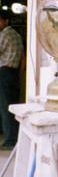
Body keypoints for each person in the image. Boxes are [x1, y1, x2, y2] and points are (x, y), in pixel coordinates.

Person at [0, 11, 23, 149]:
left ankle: (10, 140)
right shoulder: (17, 35)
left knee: (5, 106)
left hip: (4, 72)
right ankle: (12, 135)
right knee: (11, 106)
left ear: (6, 21)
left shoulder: (5, 34)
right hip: (12, 73)